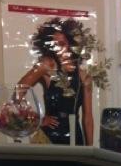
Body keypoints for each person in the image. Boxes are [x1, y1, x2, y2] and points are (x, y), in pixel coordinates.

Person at [18, 18, 94, 146]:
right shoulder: (47, 66)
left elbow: (88, 118)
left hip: (75, 138)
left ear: (71, 43)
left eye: (62, 43)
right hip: (48, 138)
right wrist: (36, 120)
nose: (58, 48)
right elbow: (18, 90)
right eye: (53, 45)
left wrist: (90, 151)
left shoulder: (84, 77)